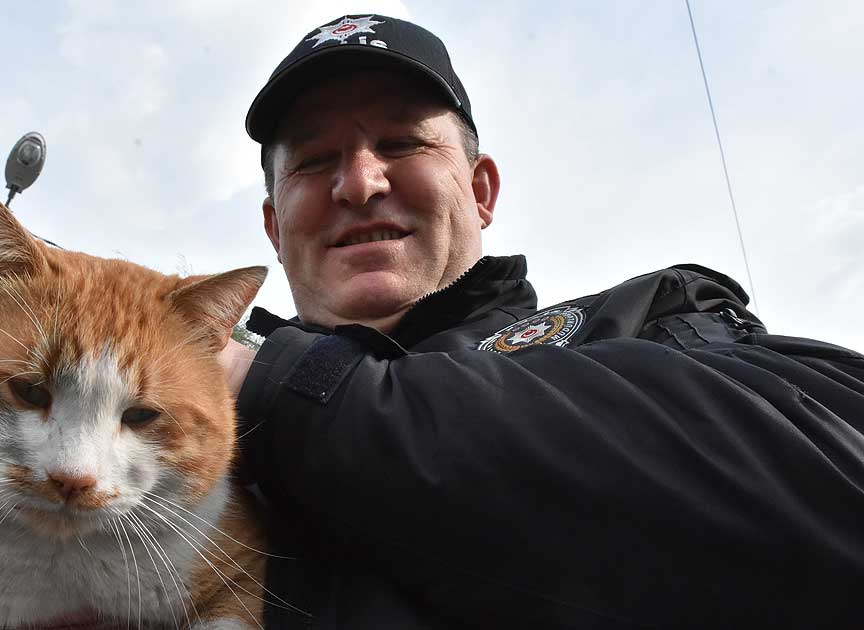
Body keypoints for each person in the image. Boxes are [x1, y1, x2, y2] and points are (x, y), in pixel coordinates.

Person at [218, 14, 864, 629]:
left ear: (480, 191)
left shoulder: (652, 313)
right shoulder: (201, 448)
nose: (359, 184)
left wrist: (284, 385)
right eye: (313, 160)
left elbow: (831, 483)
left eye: (401, 142)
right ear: (274, 226)